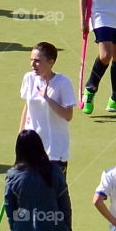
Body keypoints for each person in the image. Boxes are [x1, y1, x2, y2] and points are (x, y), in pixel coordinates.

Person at [19, 41, 75, 169]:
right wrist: (20, 136)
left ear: (51, 62)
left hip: (55, 151)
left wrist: (47, 99)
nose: (33, 64)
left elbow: (68, 115)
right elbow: (27, 106)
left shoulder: (63, 82)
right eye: (31, 60)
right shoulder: (29, 78)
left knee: (56, 189)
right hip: (31, 147)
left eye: (37, 61)